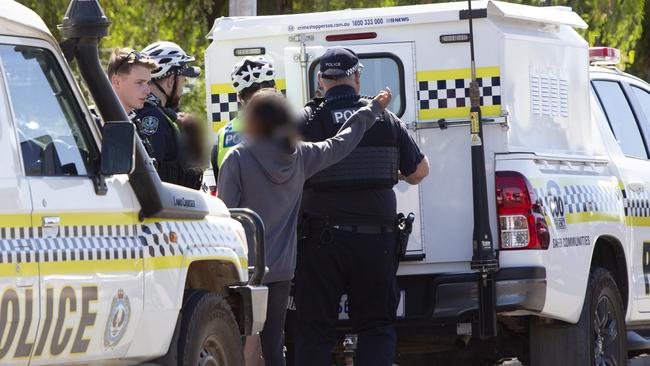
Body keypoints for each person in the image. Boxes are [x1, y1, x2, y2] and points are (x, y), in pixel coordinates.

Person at [217, 88, 393, 366]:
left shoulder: (236, 159)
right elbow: (341, 143)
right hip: (282, 269)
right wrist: (370, 111)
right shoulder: (299, 156)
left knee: (236, 340)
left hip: (244, 269)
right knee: (274, 342)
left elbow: (225, 216)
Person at [294, 47, 430, 366]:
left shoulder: (306, 119)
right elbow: (419, 172)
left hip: (319, 242)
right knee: (376, 327)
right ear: (356, 77)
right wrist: (388, 173)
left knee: (314, 330)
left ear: (320, 79)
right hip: (375, 240)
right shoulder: (385, 118)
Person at [135, 41, 204, 189]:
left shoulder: (160, 115)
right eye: (183, 81)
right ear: (171, 81)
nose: (182, 89)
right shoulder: (154, 120)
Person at [211, 56, 277, 180]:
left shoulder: (223, 134)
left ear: (240, 98)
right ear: (274, 90)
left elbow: (219, 177)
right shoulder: (283, 126)